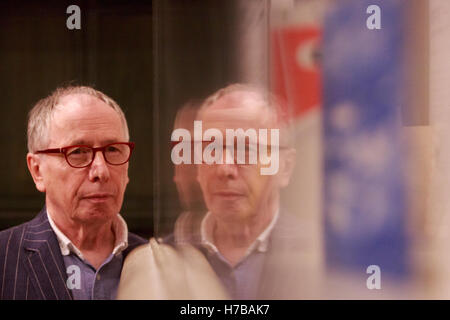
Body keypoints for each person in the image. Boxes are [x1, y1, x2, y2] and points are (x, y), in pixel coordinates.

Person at [0, 86, 146, 300]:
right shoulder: (4, 258)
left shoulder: (159, 264)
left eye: (113, 150)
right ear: (37, 171)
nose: (101, 171)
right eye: (77, 152)